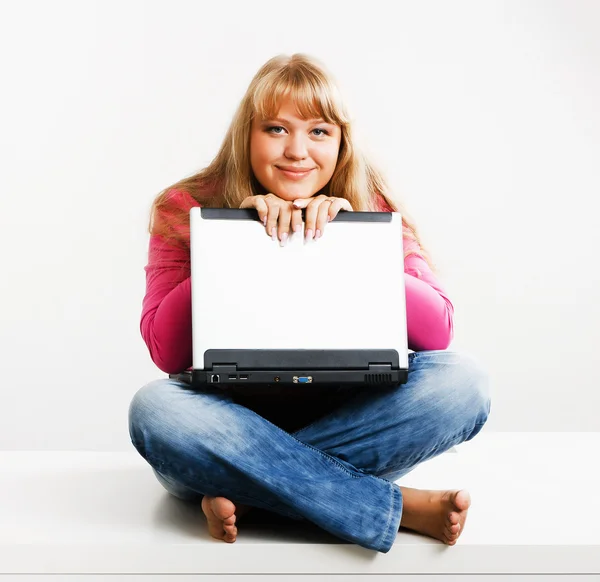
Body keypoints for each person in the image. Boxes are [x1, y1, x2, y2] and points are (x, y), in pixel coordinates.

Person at [128, 53, 491, 554]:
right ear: (247, 135)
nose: (297, 151)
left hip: (348, 420)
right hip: (225, 424)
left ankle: (254, 496)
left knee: (464, 381)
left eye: (319, 131)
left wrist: (346, 242)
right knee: (156, 410)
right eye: (276, 129)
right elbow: (166, 351)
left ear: (341, 143)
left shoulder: (370, 200)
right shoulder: (185, 204)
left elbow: (437, 332)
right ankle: (394, 505)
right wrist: (235, 240)